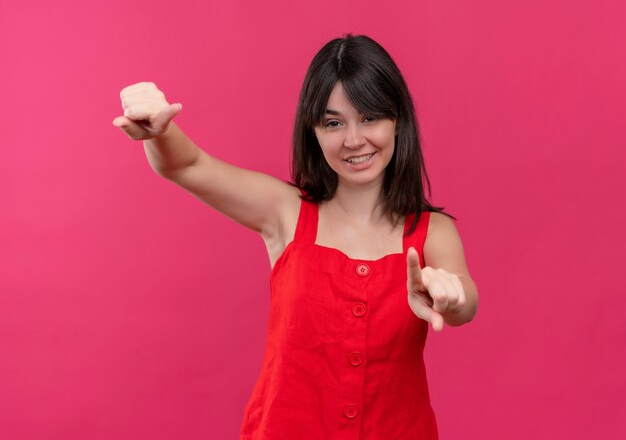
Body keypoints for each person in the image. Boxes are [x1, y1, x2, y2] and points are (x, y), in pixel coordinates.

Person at [113, 34, 478, 440]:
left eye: (371, 117)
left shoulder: (431, 231)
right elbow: (188, 164)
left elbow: (464, 300)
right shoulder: (286, 212)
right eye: (334, 122)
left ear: (398, 119)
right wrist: (159, 131)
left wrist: (449, 294)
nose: (354, 140)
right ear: (314, 131)